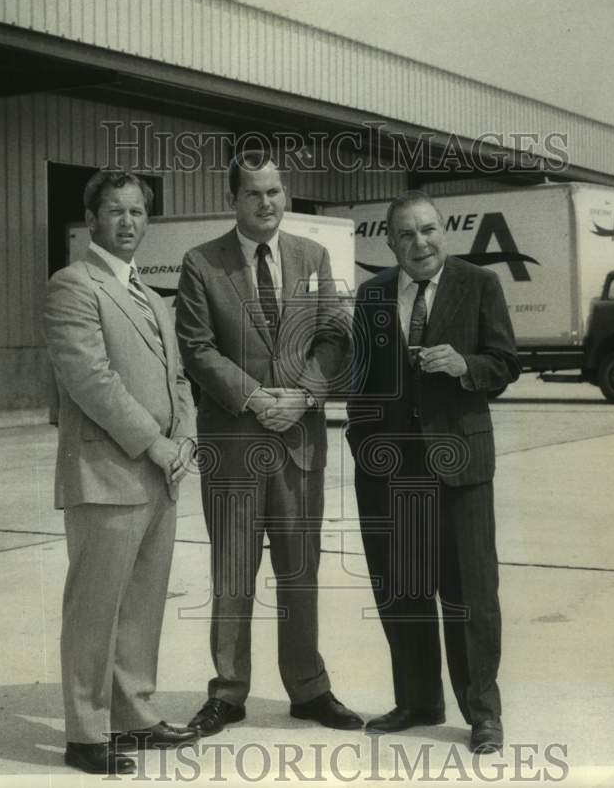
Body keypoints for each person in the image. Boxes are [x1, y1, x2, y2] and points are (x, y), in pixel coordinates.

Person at [175, 152, 361, 736]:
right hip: (232, 445)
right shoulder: (201, 263)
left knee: (299, 570)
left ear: (286, 194)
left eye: (275, 191)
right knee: (233, 572)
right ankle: (228, 694)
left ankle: (308, 689)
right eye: (254, 193)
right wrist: (258, 398)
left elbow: (334, 337)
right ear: (234, 199)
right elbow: (198, 349)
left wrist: (302, 398)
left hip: (299, 443)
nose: (266, 203)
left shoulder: (314, 257)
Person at [346, 190, 520, 754]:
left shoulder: (479, 285)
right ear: (391, 242)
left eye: (428, 230)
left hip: (461, 467)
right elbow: (362, 382)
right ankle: (418, 700)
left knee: (471, 592)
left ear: (442, 232)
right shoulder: (372, 297)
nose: (420, 242)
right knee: (402, 590)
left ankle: (482, 713)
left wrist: (464, 365)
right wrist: (363, 443)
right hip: (391, 471)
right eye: (407, 233)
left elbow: (505, 364)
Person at [44, 170, 199, 775]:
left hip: (160, 472)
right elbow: (90, 381)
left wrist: (185, 436)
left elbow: (178, 379)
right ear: (92, 221)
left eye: (137, 212)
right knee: (95, 607)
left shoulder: (154, 296)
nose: (128, 222)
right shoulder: (72, 286)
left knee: (141, 603)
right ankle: (86, 733)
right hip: (107, 474)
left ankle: (133, 714)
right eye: (115, 211)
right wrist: (156, 444)